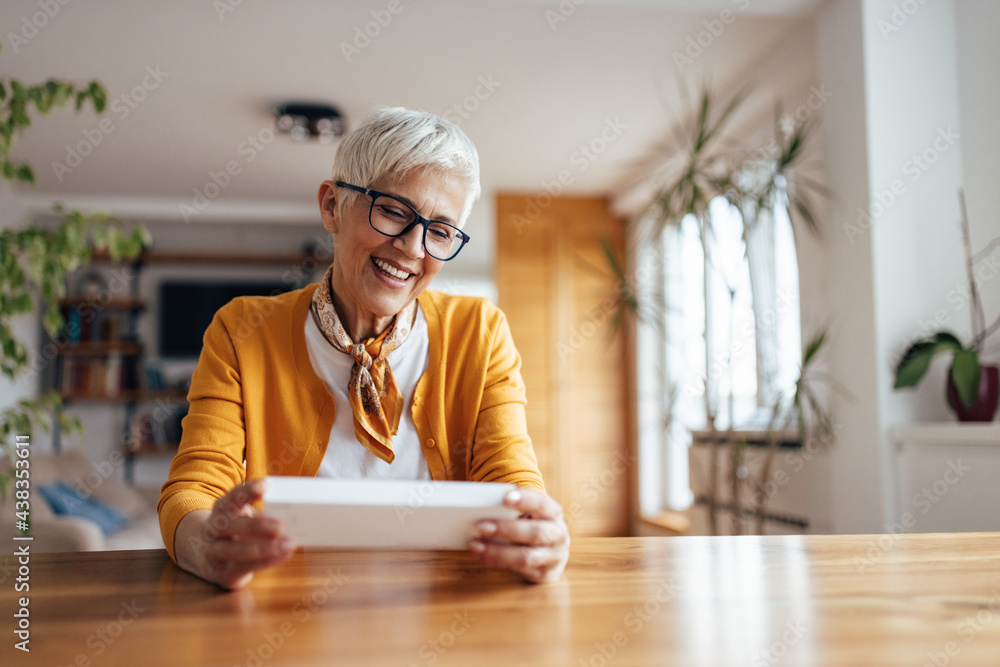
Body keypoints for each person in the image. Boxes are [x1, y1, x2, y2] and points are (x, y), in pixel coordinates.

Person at [158, 107, 570, 590]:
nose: (414, 249)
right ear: (332, 206)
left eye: (439, 230)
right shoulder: (241, 331)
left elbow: (512, 480)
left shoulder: (479, 332)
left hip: (448, 612)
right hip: (291, 609)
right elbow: (194, 488)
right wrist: (205, 543)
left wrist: (537, 535)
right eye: (394, 211)